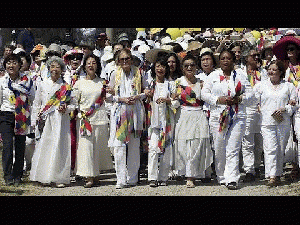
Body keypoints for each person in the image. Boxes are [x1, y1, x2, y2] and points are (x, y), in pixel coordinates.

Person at [201, 49, 254, 190]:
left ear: (233, 60)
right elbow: (204, 94)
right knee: (219, 148)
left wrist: (239, 98)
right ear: (219, 61)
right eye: (223, 58)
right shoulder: (213, 75)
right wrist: (218, 99)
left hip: (237, 116)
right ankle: (222, 176)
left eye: (228, 58)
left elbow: (251, 94)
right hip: (218, 116)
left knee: (233, 148)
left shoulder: (241, 75)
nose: (225, 60)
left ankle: (232, 178)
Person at [30, 56, 75, 188]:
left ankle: (58, 177)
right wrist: (34, 120)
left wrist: (66, 108)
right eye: (52, 66)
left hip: (61, 121)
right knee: (44, 146)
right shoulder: (43, 84)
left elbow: (73, 105)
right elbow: (37, 103)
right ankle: (42, 176)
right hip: (46, 120)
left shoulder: (66, 86)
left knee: (59, 148)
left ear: (62, 70)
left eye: (58, 67)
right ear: (49, 68)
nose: (55, 69)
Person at [107, 48, 147, 189]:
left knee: (134, 145)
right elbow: (108, 96)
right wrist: (121, 98)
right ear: (118, 61)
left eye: (127, 59)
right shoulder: (114, 74)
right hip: (120, 111)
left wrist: (137, 96)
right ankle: (121, 179)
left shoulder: (139, 73)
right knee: (119, 146)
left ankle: (132, 178)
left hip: (135, 110)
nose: (125, 62)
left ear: (131, 59)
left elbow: (146, 92)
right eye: (122, 59)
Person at [73, 54, 113, 188]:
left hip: (100, 118)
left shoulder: (102, 82)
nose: (91, 65)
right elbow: (74, 101)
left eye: (94, 63)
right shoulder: (79, 83)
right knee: (86, 148)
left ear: (97, 65)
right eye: (89, 63)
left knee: (98, 148)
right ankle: (88, 176)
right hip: (85, 120)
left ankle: (96, 175)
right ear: (84, 66)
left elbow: (108, 99)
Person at [253, 60, 296, 186]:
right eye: (269, 69)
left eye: (274, 69)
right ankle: (271, 176)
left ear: (281, 72)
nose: (271, 72)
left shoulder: (289, 86)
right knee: (270, 148)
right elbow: (251, 99)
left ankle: (278, 174)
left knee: (280, 148)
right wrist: (258, 107)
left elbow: (294, 105)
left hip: (283, 121)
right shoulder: (261, 85)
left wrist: (285, 109)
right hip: (267, 121)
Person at [173, 54, 213, 188]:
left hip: (198, 115)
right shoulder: (178, 82)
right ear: (182, 68)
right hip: (183, 115)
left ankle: (194, 175)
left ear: (196, 67)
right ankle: (186, 174)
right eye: (186, 66)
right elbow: (174, 104)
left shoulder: (202, 82)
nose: (189, 67)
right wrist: (174, 99)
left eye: (192, 65)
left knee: (197, 145)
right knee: (184, 147)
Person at [0, 53, 34, 186]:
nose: (11, 65)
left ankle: (17, 174)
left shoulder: (26, 80)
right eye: (8, 63)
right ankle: (7, 175)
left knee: (20, 146)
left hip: (21, 115)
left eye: (14, 62)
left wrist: (23, 103)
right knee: (7, 145)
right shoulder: (2, 81)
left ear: (20, 65)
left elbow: (32, 97)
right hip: (6, 114)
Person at [273, 35, 300, 179]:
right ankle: (294, 166)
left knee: (299, 135)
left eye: (292, 49)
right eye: (287, 49)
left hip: (299, 105)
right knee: (290, 136)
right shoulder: (284, 68)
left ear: (297, 51)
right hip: (288, 105)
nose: (289, 51)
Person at [146, 56, 176, 187]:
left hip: (167, 122)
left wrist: (167, 100)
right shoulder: (150, 84)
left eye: (163, 66)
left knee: (166, 149)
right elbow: (146, 101)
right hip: (153, 121)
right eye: (158, 66)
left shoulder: (171, 84)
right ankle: (152, 177)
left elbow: (176, 103)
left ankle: (163, 177)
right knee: (153, 148)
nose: (160, 69)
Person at [241, 48, 268, 182]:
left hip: (262, 110)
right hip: (246, 109)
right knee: (247, 141)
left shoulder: (264, 72)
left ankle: (257, 166)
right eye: (254, 56)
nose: (257, 58)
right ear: (246, 58)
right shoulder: (240, 72)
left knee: (259, 141)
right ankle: (249, 170)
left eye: (258, 55)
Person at [62, 49, 86, 182]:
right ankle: (69, 167)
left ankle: (79, 169)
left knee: (80, 140)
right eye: (72, 58)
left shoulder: (84, 75)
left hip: (81, 111)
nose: (75, 60)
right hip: (66, 111)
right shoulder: (64, 75)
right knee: (68, 140)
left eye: (78, 58)